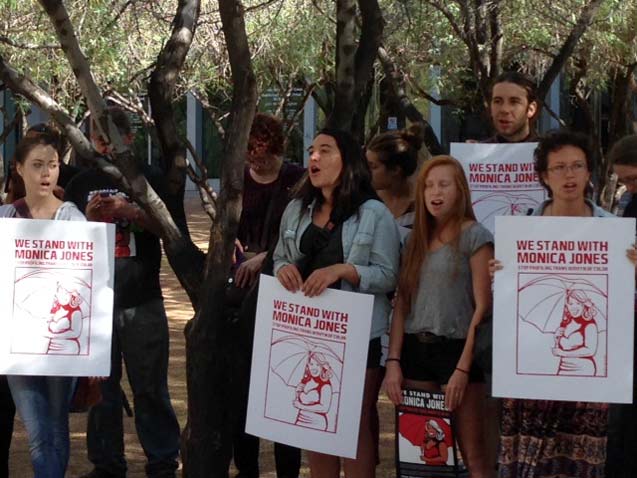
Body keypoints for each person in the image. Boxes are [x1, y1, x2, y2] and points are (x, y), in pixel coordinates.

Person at [492, 130, 637, 477]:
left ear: (589, 173)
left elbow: (623, 307)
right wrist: (496, 275)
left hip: (593, 383)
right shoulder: (520, 231)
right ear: (543, 175)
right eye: (558, 167)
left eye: (576, 166)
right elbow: (508, 303)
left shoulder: (617, 230)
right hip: (529, 376)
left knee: (585, 462)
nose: (568, 175)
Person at [273, 129, 401, 477]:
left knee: (352, 425)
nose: (314, 158)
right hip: (306, 332)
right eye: (311, 151)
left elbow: (389, 275)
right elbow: (280, 257)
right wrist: (282, 268)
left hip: (359, 335)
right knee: (316, 425)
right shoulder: (296, 209)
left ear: (347, 161)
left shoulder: (374, 213)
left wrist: (344, 270)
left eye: (325, 151)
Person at [65, 107, 181, 478]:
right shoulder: (80, 182)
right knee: (101, 389)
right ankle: (107, 463)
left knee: (150, 387)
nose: (101, 141)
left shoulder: (149, 178)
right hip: (93, 303)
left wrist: (131, 211)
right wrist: (88, 217)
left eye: (108, 134)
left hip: (142, 298)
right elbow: (65, 241)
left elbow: (171, 232)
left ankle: (162, 461)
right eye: (95, 134)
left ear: (128, 137)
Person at [383, 155, 493, 478]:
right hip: (417, 353)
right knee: (423, 459)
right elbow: (403, 301)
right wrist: (393, 361)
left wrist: (462, 368)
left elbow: (483, 308)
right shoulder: (414, 238)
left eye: (444, 184)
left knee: (474, 455)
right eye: (429, 185)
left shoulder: (476, 236)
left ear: (460, 190)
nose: (435, 192)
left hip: (459, 351)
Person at [0, 132, 85, 478]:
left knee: (56, 428)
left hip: (60, 344)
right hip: (17, 345)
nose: (46, 173)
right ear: (19, 169)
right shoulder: (5, 218)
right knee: (37, 433)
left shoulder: (73, 220)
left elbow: (86, 286)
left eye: (52, 165)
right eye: (37, 165)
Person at [230, 113, 304, 478]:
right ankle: (248, 469)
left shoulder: (295, 179)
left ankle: (287, 469)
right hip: (241, 291)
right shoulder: (237, 181)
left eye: (261, 150)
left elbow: (303, 235)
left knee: (282, 389)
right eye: (249, 151)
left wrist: (266, 258)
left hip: (281, 287)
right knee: (243, 389)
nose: (254, 158)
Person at [606, 134, 637, 478]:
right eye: (623, 179)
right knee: (621, 424)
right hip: (623, 329)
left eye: (634, 178)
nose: (628, 187)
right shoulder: (624, 204)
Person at [366, 125, 423, 232]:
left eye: (373, 167)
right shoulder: (366, 200)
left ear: (395, 170)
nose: (366, 171)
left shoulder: (424, 205)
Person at [552, 289, 599, 376]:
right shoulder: (565, 323)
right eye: (571, 304)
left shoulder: (589, 324)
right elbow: (560, 348)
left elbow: (590, 350)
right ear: (567, 306)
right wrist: (556, 338)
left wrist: (563, 353)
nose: (574, 307)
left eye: (578, 304)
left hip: (583, 368)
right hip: (563, 367)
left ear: (584, 305)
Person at [484, 71, 538, 143]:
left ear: (531, 109)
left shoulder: (550, 152)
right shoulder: (480, 152)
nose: (504, 109)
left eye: (514, 102)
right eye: (497, 101)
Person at [293, 352, 334, 431]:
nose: (314, 368)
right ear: (307, 366)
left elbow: (324, 408)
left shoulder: (325, 385)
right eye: (311, 364)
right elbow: (299, 401)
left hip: (317, 423)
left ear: (323, 366)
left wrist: (301, 406)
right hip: (300, 419)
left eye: (318, 365)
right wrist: (297, 392)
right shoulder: (305, 381)